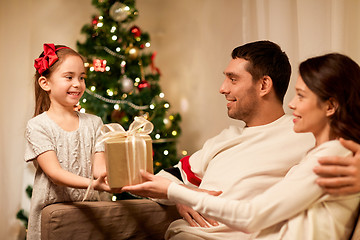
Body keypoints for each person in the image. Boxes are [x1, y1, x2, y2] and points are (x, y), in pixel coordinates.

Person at [123, 53, 360, 239]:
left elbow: (252, 216)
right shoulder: (224, 140)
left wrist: (172, 191)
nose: (222, 88)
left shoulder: (324, 149)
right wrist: (182, 196)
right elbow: (168, 176)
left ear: (264, 85)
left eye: (233, 79)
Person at [24, 43, 111, 240]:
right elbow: (55, 174)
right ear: (45, 83)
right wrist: (94, 184)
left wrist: (110, 178)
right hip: (51, 214)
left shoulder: (94, 123)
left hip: (90, 211)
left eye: (82, 77)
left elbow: (99, 169)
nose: (78, 84)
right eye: (69, 77)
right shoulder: (38, 126)